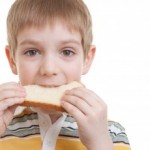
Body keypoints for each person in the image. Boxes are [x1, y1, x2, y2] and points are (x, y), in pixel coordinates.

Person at [0, 0, 131, 150]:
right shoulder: (3, 126)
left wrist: (99, 144)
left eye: (67, 52)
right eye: (32, 52)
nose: (49, 69)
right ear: (12, 60)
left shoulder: (110, 133)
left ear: (87, 59)